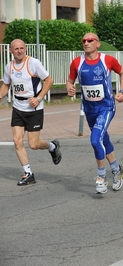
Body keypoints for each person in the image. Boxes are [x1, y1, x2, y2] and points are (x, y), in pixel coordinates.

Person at [66, 33, 123, 194]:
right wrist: (69, 88)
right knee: (103, 138)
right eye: (84, 40)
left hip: (106, 107)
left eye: (90, 40)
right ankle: (116, 169)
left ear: (97, 44)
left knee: (95, 140)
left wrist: (121, 91)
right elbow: (70, 81)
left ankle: (101, 177)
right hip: (89, 109)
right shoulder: (77, 63)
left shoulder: (107, 60)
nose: (86, 43)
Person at [0, 39, 62, 186]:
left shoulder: (33, 63)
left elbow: (49, 80)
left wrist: (39, 98)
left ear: (25, 49)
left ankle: (52, 146)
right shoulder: (9, 67)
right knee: (17, 141)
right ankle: (28, 173)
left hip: (34, 108)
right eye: (16, 49)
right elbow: (6, 85)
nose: (19, 51)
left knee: (33, 145)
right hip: (18, 107)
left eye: (22, 48)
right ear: (11, 51)